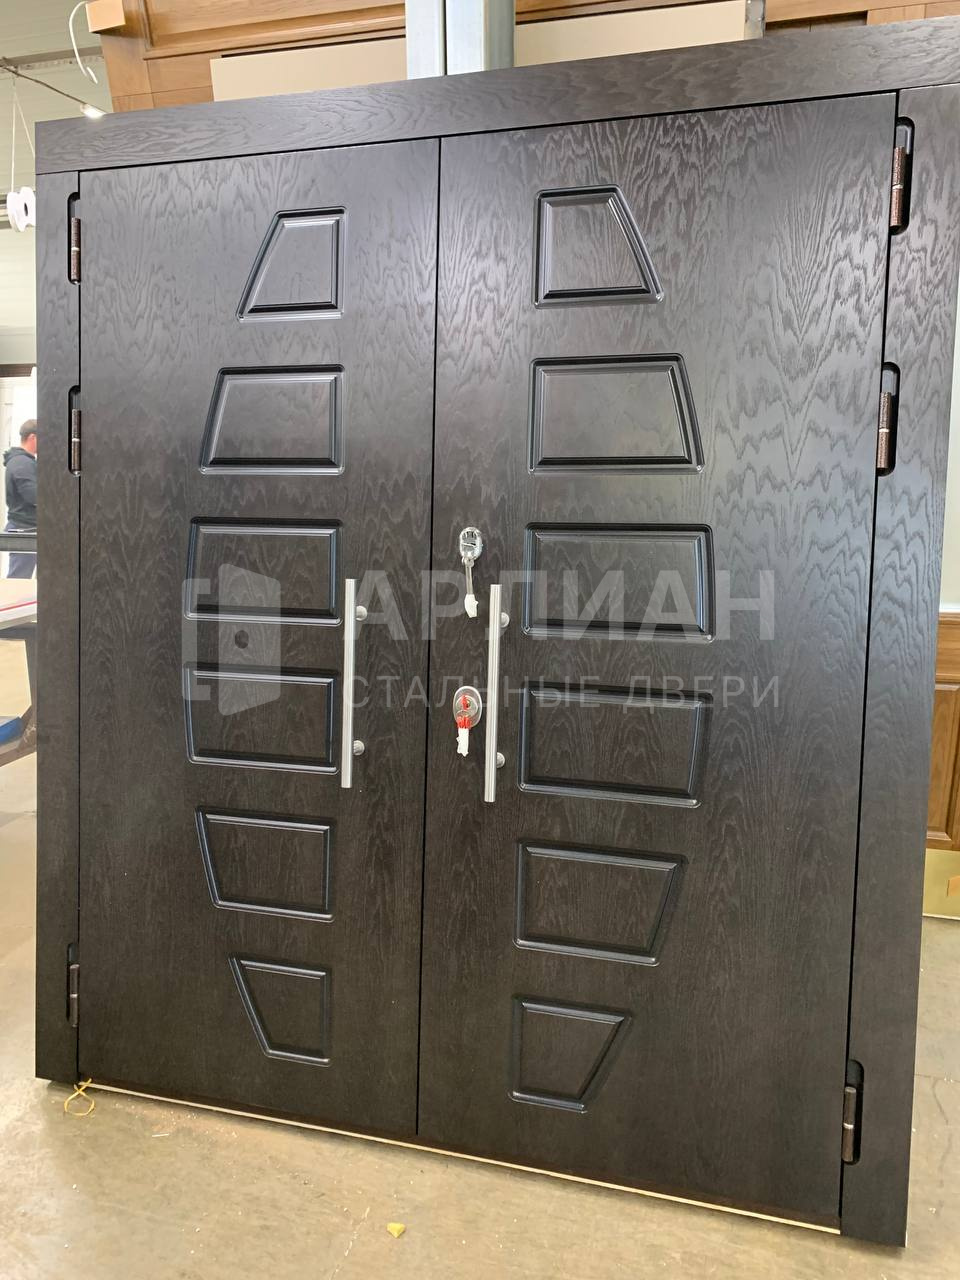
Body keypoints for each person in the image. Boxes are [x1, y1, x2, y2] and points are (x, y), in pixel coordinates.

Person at [3, 419, 37, 579]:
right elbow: (34, 496)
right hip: (24, 529)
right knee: (19, 579)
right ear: (32, 437)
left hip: (27, 527)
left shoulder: (23, 462)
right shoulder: (22, 463)